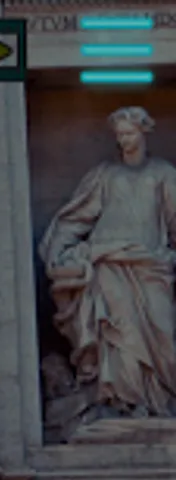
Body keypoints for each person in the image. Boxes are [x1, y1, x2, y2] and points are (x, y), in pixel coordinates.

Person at [39, 106, 176, 421]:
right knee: (119, 333)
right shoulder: (104, 175)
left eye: (129, 133)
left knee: (163, 332)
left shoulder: (164, 174)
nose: (124, 140)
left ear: (143, 132)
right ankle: (124, 403)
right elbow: (76, 218)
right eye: (119, 135)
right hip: (110, 265)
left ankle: (161, 403)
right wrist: (59, 251)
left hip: (152, 266)